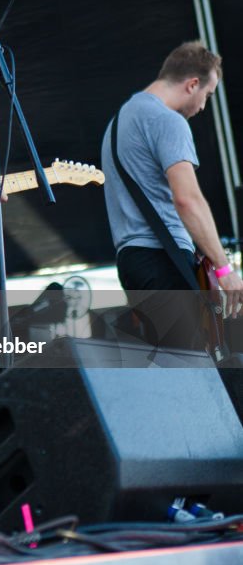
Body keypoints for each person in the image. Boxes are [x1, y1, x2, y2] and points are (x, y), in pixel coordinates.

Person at [101, 41, 243, 350]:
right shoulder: (167, 121)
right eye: (207, 95)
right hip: (162, 260)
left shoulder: (118, 123)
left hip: (132, 262)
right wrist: (224, 269)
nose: (204, 106)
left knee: (173, 368)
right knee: (193, 373)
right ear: (192, 84)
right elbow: (187, 200)